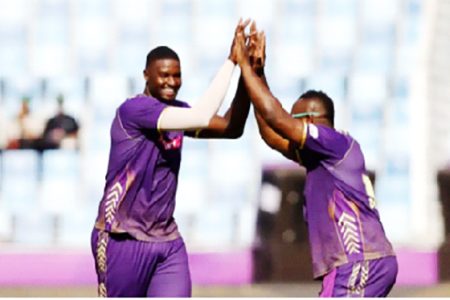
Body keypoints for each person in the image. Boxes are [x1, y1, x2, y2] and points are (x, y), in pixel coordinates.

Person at [91, 19, 252, 297]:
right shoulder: (134, 110)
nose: (171, 82)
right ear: (146, 75)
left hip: (167, 241)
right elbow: (201, 115)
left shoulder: (177, 112)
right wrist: (231, 62)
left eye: (177, 75)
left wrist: (250, 73)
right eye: (163, 75)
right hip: (122, 237)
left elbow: (231, 127)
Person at [235, 23, 398, 297]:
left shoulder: (334, 142)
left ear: (310, 121)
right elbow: (271, 136)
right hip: (357, 263)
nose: (289, 122)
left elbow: (276, 118)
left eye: (294, 118)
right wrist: (257, 73)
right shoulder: (321, 157)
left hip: (357, 260)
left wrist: (244, 66)